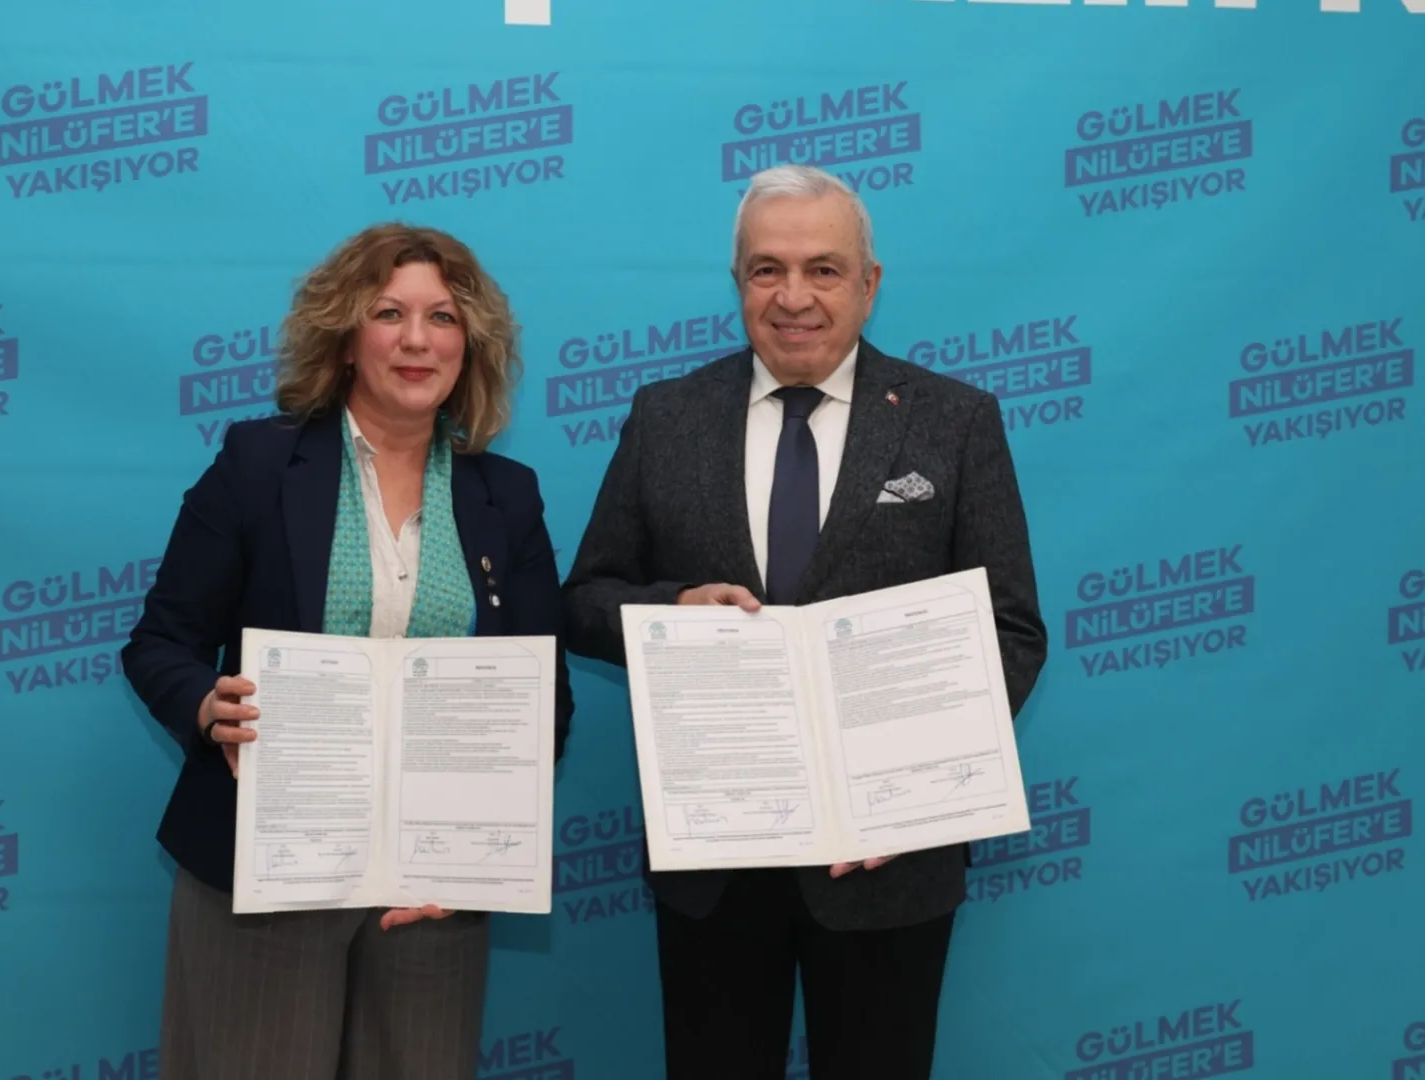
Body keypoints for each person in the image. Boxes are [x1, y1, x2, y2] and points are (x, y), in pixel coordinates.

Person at [560, 164, 1047, 1080]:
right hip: (714, 863)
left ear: (869, 284)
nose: (793, 297)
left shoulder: (955, 421)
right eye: (767, 270)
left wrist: (918, 791)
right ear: (737, 281)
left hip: (890, 864)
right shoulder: (666, 417)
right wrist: (670, 609)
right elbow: (586, 600)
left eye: (823, 269)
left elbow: (1011, 628)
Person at [122, 223, 573, 1080]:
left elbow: (542, 699)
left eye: (442, 317)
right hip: (264, 873)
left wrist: (479, 854)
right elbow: (161, 643)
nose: (417, 339)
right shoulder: (258, 463)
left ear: (469, 345)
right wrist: (207, 706)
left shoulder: (507, 496)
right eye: (389, 313)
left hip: (431, 895)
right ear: (345, 337)